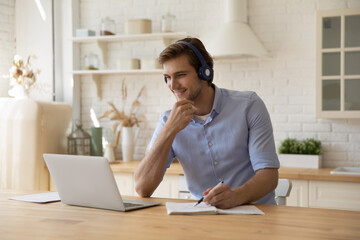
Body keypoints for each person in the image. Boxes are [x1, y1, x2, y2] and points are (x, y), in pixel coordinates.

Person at [134, 37, 279, 209]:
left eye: (180, 75)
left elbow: (269, 177)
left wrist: (236, 196)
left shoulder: (249, 105)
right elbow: (142, 188)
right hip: (204, 218)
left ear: (205, 73)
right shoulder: (168, 120)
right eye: (167, 77)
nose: (173, 85)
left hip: (257, 215)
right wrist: (169, 131)